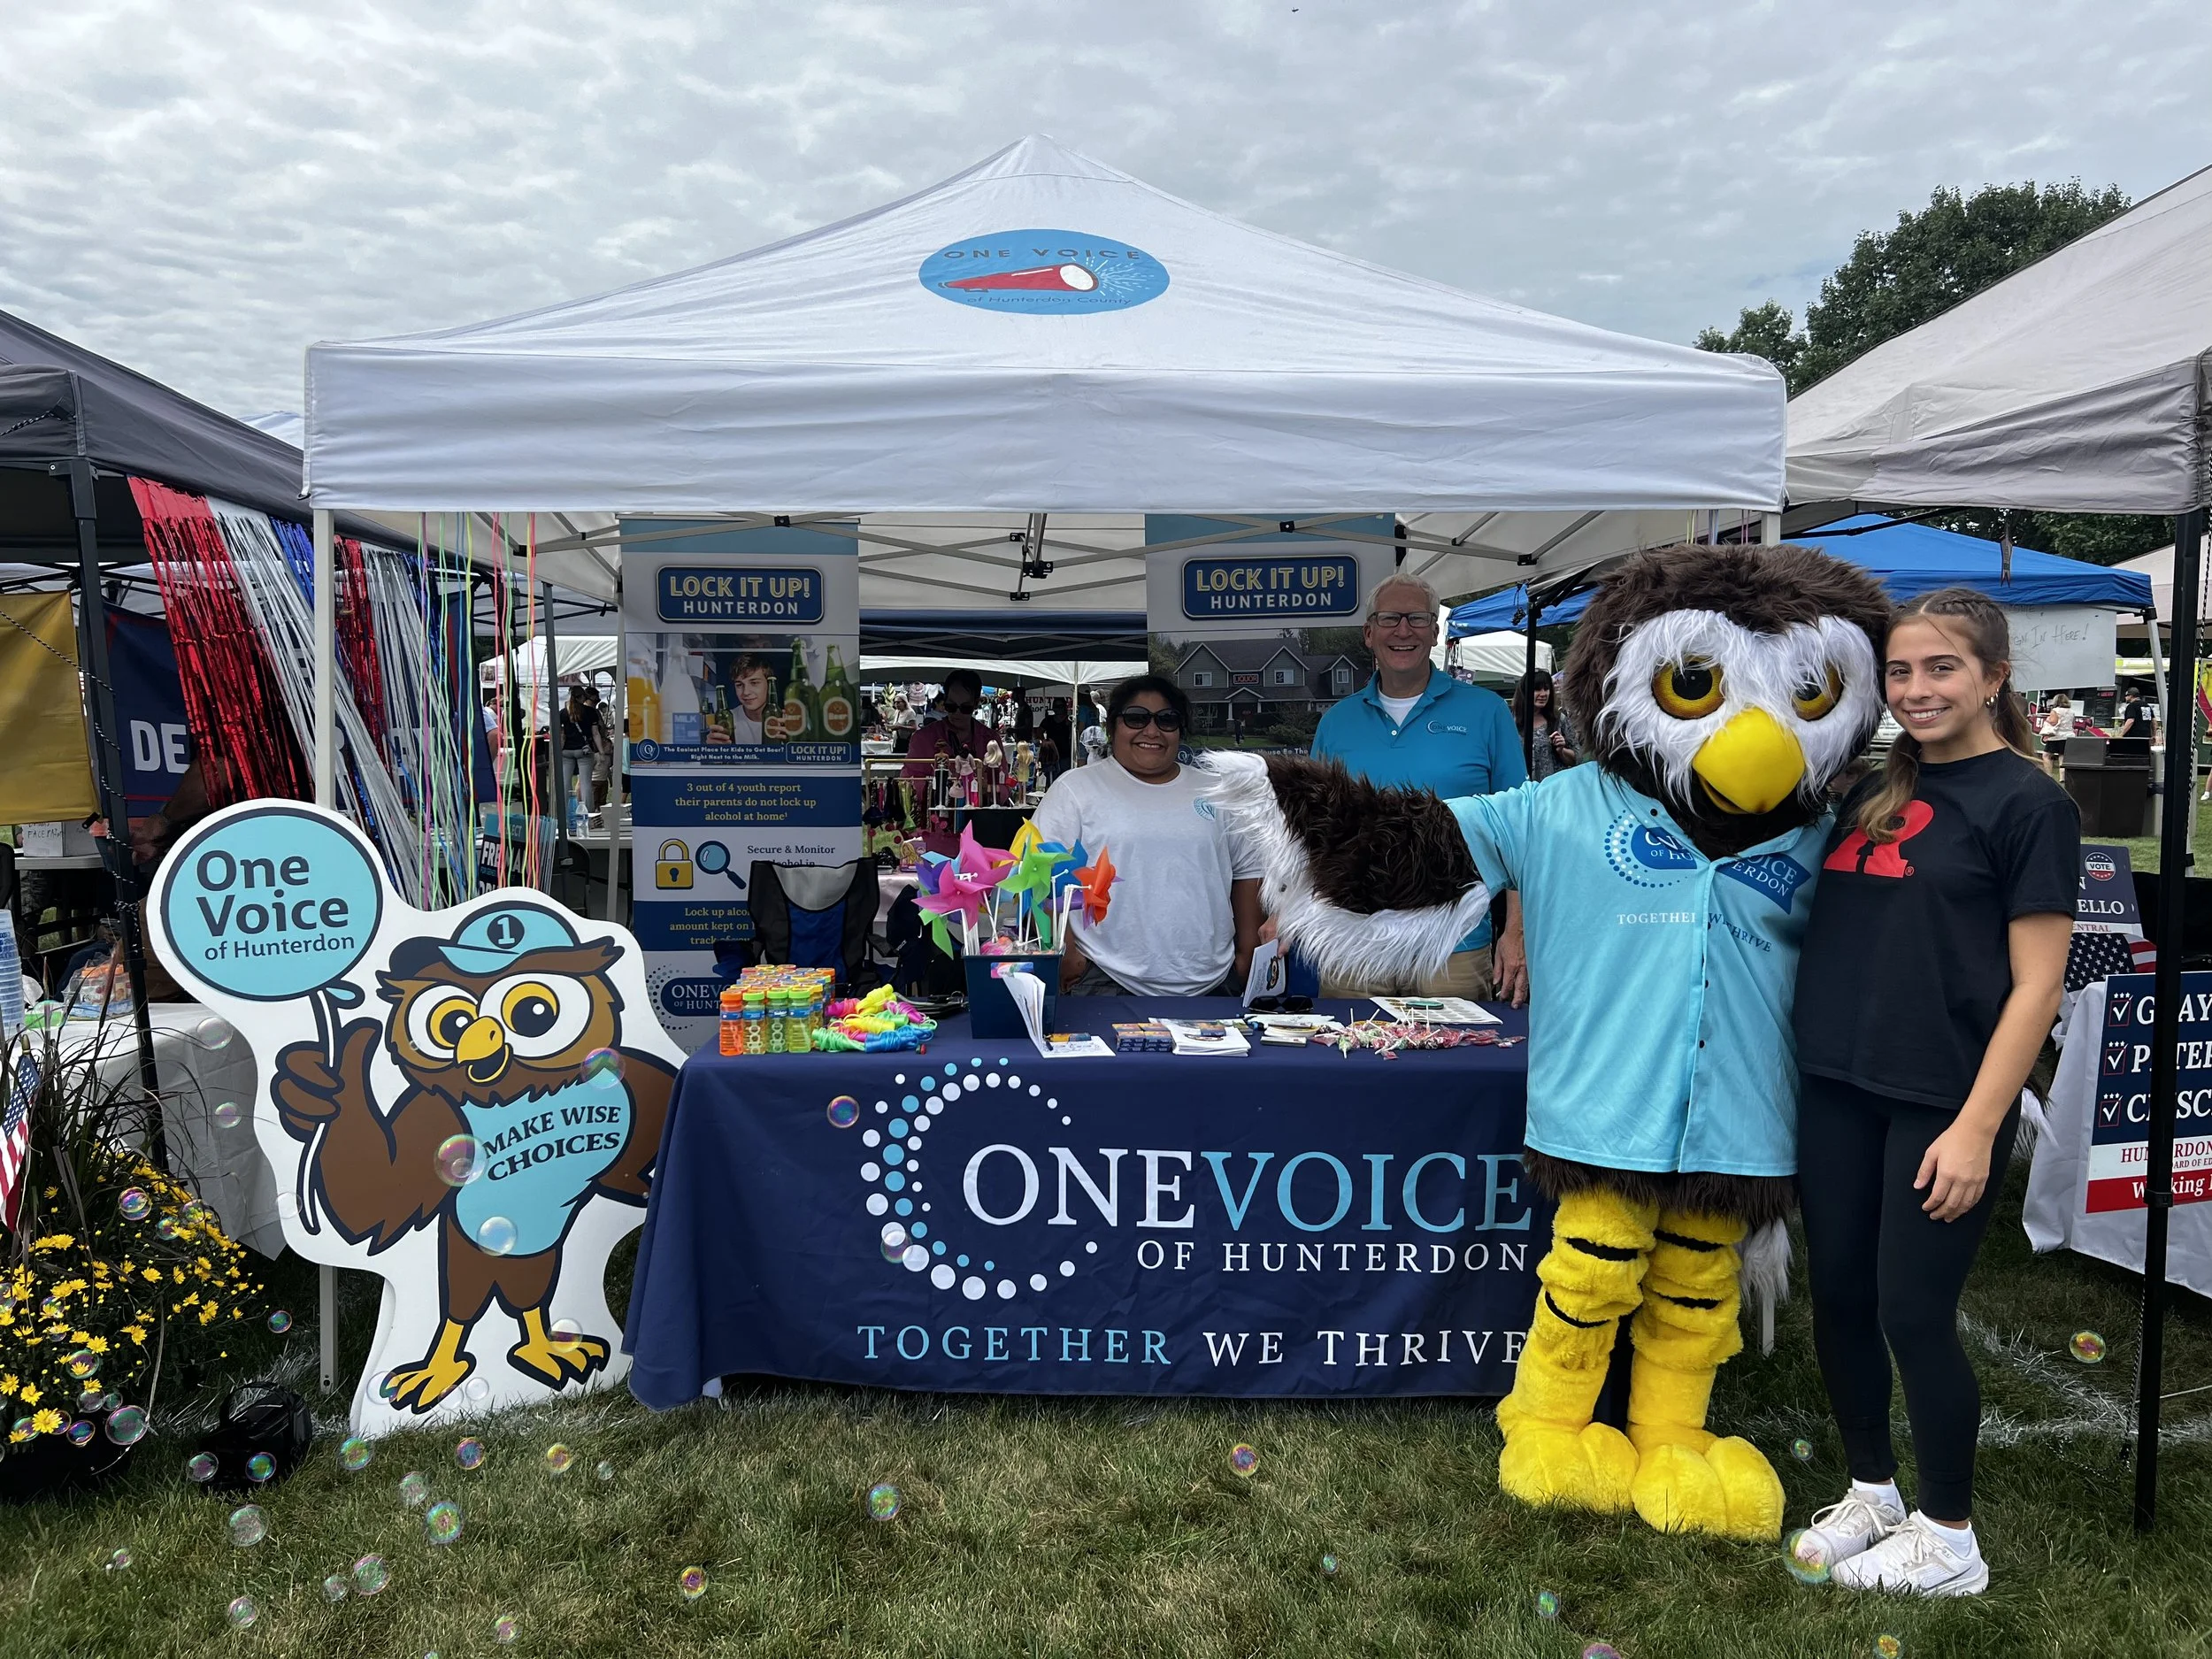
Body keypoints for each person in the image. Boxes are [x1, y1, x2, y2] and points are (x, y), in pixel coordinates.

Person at [1786, 588, 2076, 1596]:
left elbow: (2038, 982)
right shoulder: (1864, 786)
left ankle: (1950, 1539)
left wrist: (1976, 1126)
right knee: (1842, 1298)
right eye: (1900, 673)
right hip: (1834, 1082)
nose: (1915, 690)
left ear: (1995, 678)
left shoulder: (2030, 804)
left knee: (1913, 1312)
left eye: (1940, 668)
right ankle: (1873, 1490)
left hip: (1940, 1099)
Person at [1308, 572, 1526, 1001]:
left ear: (1435, 631)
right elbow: (1312, 835)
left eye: (1417, 619)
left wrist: (1516, 931)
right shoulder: (1336, 722)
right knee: (1350, 1062)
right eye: (1390, 619)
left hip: (1453, 943)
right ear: (1369, 634)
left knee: (1452, 1065)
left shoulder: (1486, 712)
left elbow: (1520, 831)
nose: (1403, 630)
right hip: (1354, 943)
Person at [1032, 676, 1262, 997]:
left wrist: (1248, 952)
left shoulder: (1217, 789)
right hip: (1106, 977)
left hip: (1213, 981)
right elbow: (1040, 873)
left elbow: (1248, 871)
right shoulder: (1075, 789)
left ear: (1180, 730)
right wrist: (1067, 952)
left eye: (1167, 720)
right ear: (1113, 727)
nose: (1152, 731)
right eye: (1136, 718)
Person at [902, 668, 990, 856]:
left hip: (981, 837)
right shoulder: (922, 738)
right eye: (951, 706)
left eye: (965, 708)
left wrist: (984, 788)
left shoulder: (990, 738)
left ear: (976, 703)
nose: (957, 713)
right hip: (935, 837)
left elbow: (1004, 786)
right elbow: (908, 785)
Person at [1511, 668, 1578, 780]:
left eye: (1546, 689)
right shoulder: (1511, 722)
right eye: (1537, 689)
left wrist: (1562, 751)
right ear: (1525, 691)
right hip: (1524, 789)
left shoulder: (1559, 720)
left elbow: (1577, 758)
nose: (1543, 694)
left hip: (1554, 789)